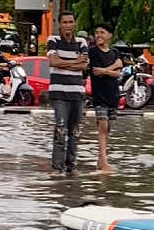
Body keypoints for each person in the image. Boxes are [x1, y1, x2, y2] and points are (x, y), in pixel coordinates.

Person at [47, 10, 89, 176]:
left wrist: (62, 63)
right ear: (59, 24)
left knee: (75, 132)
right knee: (60, 129)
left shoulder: (81, 42)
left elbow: (84, 65)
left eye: (71, 22)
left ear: (75, 23)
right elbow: (53, 61)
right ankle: (57, 168)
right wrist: (74, 62)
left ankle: (71, 166)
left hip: (77, 94)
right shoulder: (53, 40)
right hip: (59, 94)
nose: (68, 25)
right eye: (65, 22)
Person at [88, 21, 123, 173]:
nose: (98, 36)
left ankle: (100, 161)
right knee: (102, 126)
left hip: (113, 94)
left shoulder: (114, 52)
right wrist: (113, 67)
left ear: (109, 35)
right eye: (96, 33)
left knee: (108, 128)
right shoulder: (93, 52)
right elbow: (96, 71)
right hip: (99, 94)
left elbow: (119, 74)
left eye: (102, 33)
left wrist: (108, 70)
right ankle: (105, 162)